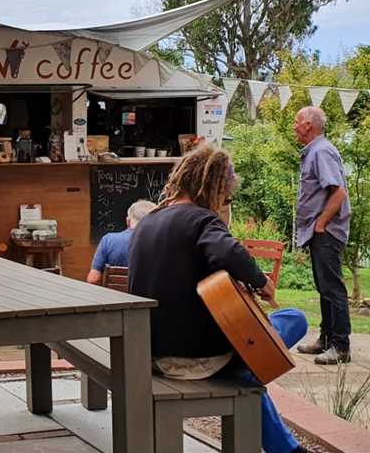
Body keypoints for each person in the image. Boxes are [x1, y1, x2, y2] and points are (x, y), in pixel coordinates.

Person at [129, 143, 309, 453]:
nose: (224, 202)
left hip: (151, 352)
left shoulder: (147, 222)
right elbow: (228, 251)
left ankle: (289, 450)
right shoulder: (202, 221)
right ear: (214, 187)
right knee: (295, 320)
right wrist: (260, 281)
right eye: (225, 195)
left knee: (257, 356)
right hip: (199, 358)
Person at [293, 106, 352, 364]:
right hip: (321, 232)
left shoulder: (321, 151)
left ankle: (340, 347)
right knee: (324, 288)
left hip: (327, 232)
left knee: (332, 289)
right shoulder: (315, 151)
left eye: (297, 121)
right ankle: (326, 339)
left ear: (309, 125)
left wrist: (320, 224)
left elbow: (339, 193)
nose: (294, 126)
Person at [86, 199, 155, 285]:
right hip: (150, 297)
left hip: (115, 297)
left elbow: (93, 280)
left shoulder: (108, 240)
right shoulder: (161, 242)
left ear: (128, 221)